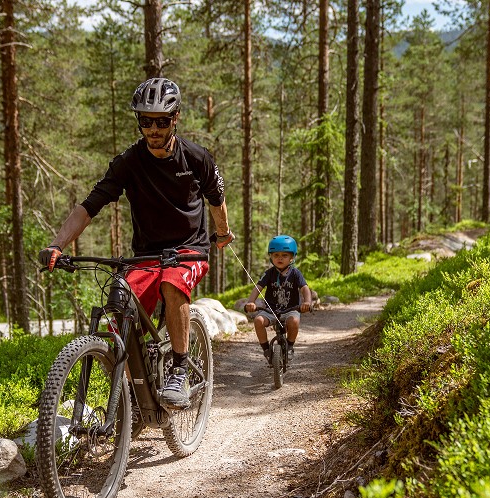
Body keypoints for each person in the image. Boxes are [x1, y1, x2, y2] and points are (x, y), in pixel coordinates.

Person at [39, 77, 234, 410]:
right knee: (120, 312)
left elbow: (216, 199)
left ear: (175, 118)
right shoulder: (129, 162)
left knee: (173, 287)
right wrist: (57, 244)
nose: (153, 128)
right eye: (146, 121)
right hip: (146, 255)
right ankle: (132, 394)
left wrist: (223, 232)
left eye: (161, 120)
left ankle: (178, 368)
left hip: (189, 250)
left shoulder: (197, 158)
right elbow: (89, 206)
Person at [243, 235, 312, 365]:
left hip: (290, 309)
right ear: (271, 257)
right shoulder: (269, 273)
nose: (280, 258)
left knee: (294, 321)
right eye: (276, 255)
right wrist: (251, 302)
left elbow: (304, 288)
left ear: (292, 257)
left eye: (284, 255)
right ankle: (266, 350)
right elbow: (258, 288)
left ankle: (290, 346)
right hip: (270, 310)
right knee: (258, 320)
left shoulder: (295, 273)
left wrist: (307, 302)